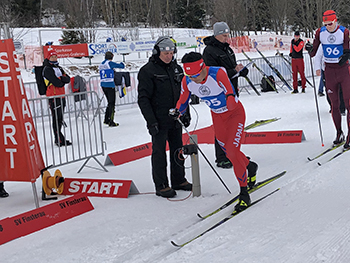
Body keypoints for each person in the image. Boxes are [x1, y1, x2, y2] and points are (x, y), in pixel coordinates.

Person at [171, 52, 256, 211]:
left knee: (232, 151)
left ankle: (244, 193)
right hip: (217, 117)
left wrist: (230, 100)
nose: (193, 78)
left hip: (234, 114)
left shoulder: (217, 73)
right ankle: (250, 167)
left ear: (203, 67)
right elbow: (183, 100)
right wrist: (177, 111)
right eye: (189, 75)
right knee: (230, 153)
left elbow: (230, 92)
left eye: (196, 74)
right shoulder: (187, 80)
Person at [137, 36, 192, 198]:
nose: (168, 56)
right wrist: (151, 121)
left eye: (171, 53)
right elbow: (143, 99)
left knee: (178, 150)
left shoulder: (177, 69)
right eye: (165, 53)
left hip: (176, 118)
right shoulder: (148, 71)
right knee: (159, 152)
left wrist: (186, 113)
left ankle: (179, 179)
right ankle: (161, 184)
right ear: (157, 52)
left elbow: (184, 93)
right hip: (158, 119)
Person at [202, 22, 250, 170]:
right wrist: (232, 71)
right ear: (216, 35)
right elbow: (213, 74)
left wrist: (240, 71)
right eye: (224, 35)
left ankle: (234, 153)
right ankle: (222, 157)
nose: (226, 38)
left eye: (227, 35)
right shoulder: (209, 51)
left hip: (232, 91)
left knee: (233, 126)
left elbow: (230, 69)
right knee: (222, 127)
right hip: (219, 94)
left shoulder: (227, 49)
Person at [306, 10, 350, 149]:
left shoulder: (344, 32)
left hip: (344, 71)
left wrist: (346, 55)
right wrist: (309, 49)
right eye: (325, 24)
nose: (328, 26)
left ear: (336, 21)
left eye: (330, 24)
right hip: (329, 71)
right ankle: (339, 133)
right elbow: (314, 51)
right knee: (334, 105)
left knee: (348, 104)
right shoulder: (320, 32)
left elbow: (348, 48)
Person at [43, 49, 72, 147]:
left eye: (55, 56)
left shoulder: (59, 67)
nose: (54, 58)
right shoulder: (47, 68)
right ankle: (58, 139)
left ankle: (60, 138)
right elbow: (57, 82)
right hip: (53, 96)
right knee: (56, 118)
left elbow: (67, 79)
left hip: (61, 95)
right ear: (48, 57)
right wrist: (61, 79)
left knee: (60, 118)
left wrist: (62, 79)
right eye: (52, 57)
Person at [99, 51, 125, 127]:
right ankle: (111, 120)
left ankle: (106, 119)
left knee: (109, 103)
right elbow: (121, 66)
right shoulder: (109, 63)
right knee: (112, 103)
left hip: (103, 85)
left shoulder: (101, 64)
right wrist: (122, 63)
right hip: (110, 85)